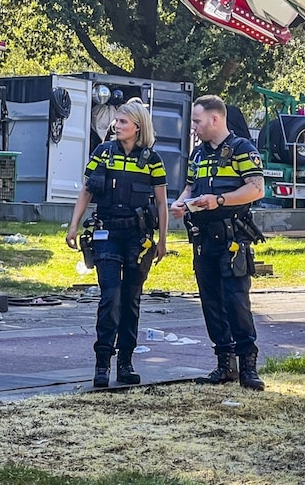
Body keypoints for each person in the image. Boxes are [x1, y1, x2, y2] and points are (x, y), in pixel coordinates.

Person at [66, 99, 168, 388]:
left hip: (138, 238)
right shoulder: (102, 153)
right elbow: (86, 191)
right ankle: (102, 363)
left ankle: (126, 363)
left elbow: (161, 203)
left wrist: (162, 240)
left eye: (123, 121)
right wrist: (74, 225)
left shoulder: (152, 160)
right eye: (117, 121)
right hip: (106, 233)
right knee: (110, 296)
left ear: (138, 126)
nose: (117, 125)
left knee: (131, 300)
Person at [169, 95, 267, 390]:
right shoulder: (197, 155)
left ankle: (248, 366)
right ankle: (224, 364)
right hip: (203, 240)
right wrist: (180, 204)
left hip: (231, 239)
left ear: (215, 119)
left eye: (197, 121)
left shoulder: (242, 150)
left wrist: (220, 200)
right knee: (211, 302)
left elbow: (256, 189)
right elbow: (189, 187)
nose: (194, 127)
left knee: (236, 302)